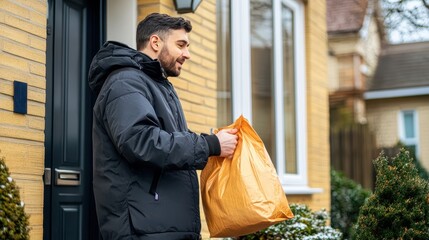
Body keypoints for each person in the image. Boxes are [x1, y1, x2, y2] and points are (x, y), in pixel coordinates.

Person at [88, 13, 238, 240]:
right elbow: (142, 141)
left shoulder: (157, 85)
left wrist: (212, 142)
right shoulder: (125, 82)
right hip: (143, 230)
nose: (187, 54)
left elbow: (167, 139)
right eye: (181, 45)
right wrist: (211, 145)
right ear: (156, 42)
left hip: (160, 227)